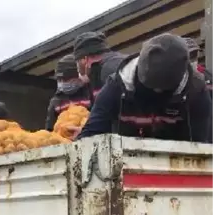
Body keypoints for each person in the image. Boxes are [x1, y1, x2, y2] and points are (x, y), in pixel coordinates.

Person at [77, 33, 211, 143]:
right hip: (125, 166)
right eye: (148, 88)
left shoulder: (196, 92)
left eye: (162, 91)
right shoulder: (117, 86)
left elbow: (199, 149)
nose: (155, 94)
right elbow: (90, 135)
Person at [74, 31, 127, 103]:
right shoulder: (122, 61)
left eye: (77, 61)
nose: (78, 69)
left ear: (84, 60)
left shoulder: (106, 72)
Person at [45, 54, 91, 131]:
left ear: (79, 76)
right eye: (60, 80)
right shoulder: (56, 101)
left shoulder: (91, 94)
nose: (63, 83)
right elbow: (49, 131)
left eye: (66, 80)